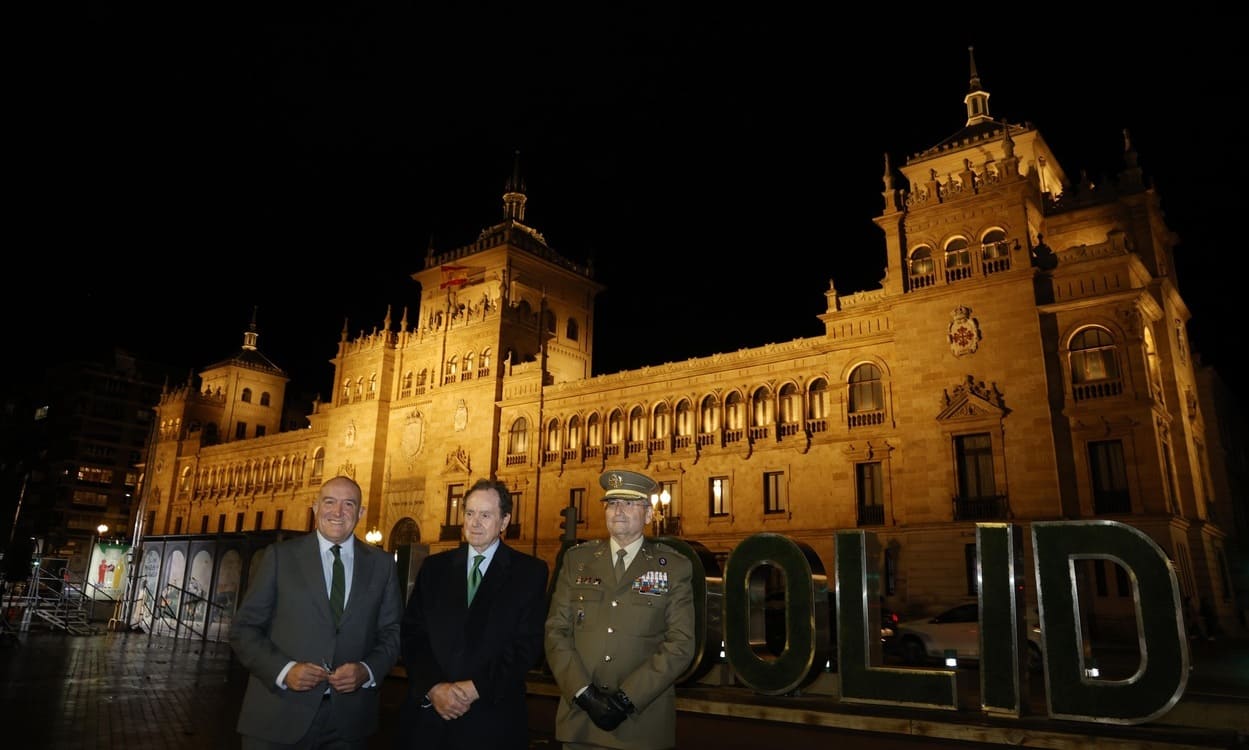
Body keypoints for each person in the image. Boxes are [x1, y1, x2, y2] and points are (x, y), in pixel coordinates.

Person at [230, 475, 403, 749]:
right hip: (277, 718)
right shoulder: (280, 557)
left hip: (347, 727)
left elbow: (392, 633)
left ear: (361, 513)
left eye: (348, 504)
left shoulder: (382, 566)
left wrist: (367, 670)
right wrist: (285, 670)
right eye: (329, 502)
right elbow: (243, 630)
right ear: (315, 507)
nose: (338, 512)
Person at [545, 469, 696, 750]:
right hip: (581, 723)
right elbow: (556, 631)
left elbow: (681, 644)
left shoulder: (674, 567)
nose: (619, 511)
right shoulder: (577, 561)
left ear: (649, 515)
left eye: (629, 503)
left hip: (642, 724)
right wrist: (584, 694)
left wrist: (627, 699)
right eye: (613, 503)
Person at [398, 478, 549, 749]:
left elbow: (527, 645)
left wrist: (475, 687)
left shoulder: (529, 573)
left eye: (485, 515)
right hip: (430, 719)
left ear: (504, 521)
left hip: (491, 721)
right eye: (469, 513)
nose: (475, 522)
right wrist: (434, 687)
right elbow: (412, 633)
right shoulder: (434, 568)